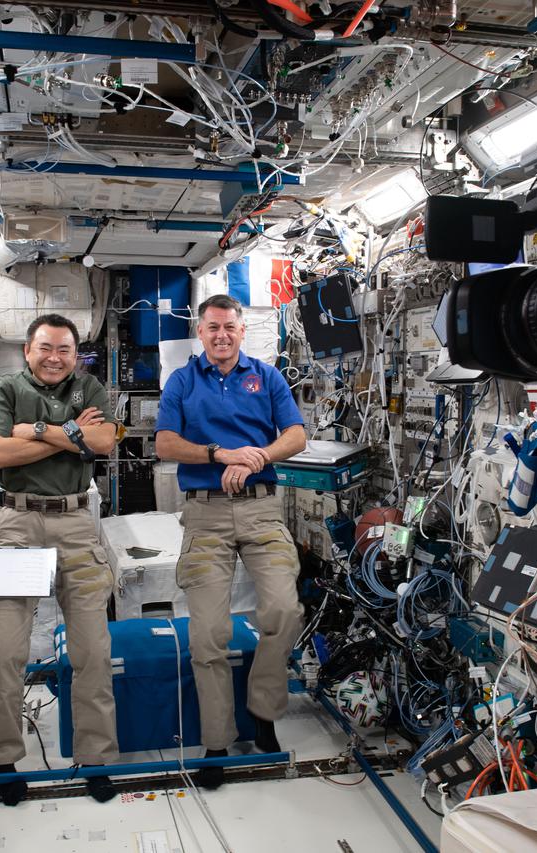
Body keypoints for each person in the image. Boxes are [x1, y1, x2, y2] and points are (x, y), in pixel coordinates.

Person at [154, 294, 307, 788]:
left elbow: (297, 436)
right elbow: (165, 443)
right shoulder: (182, 381)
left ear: (243, 332)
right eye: (213, 327)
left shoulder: (267, 376)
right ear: (201, 333)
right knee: (208, 634)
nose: (221, 335)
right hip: (206, 516)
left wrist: (256, 456)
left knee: (284, 611)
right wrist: (221, 454)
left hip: (262, 511)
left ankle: (263, 712)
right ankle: (216, 741)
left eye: (230, 328)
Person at [0, 313, 119, 805]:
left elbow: (102, 441)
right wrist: (68, 434)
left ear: (75, 354)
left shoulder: (91, 387)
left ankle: (95, 757)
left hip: (78, 524)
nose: (55, 357)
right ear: (27, 351)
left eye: (64, 349)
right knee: (7, 651)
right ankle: (5, 762)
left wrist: (35, 431)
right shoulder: (6, 391)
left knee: (92, 651)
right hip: (19, 524)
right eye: (45, 348)